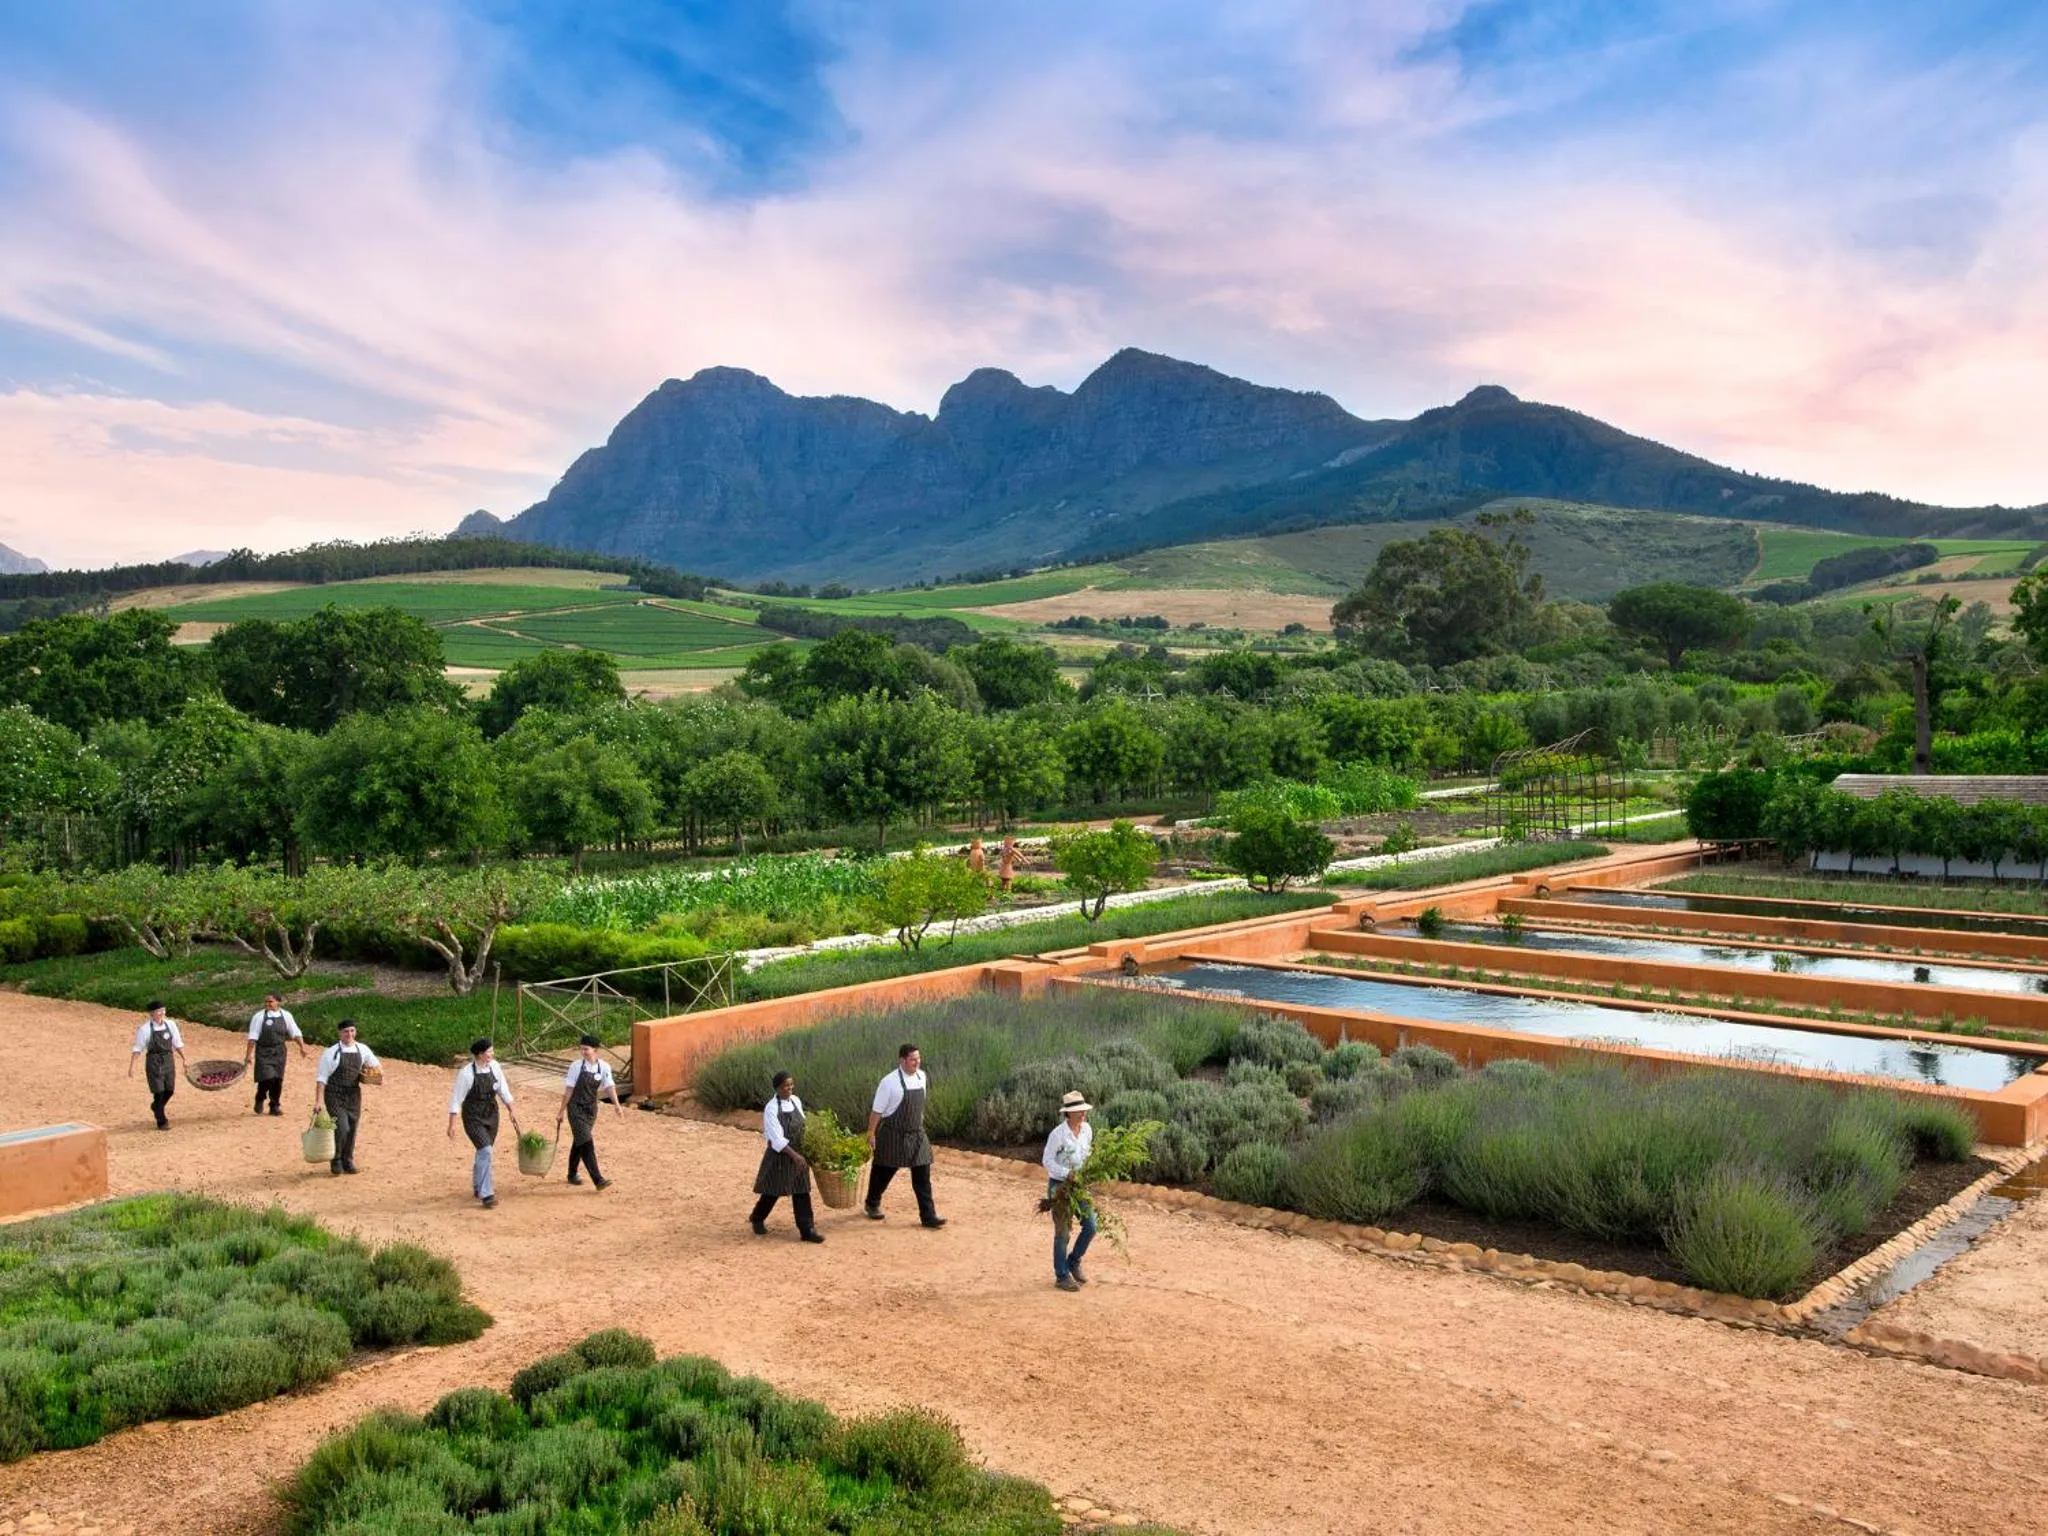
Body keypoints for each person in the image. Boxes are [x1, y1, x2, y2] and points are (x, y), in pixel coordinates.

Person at [864, 1042, 945, 1227]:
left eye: (918, 1058)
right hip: (893, 1134)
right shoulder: (889, 1082)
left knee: (922, 1176)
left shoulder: (922, 1076)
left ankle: (928, 1216)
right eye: (912, 1059)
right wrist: (871, 1133)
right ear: (902, 1060)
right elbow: (877, 1111)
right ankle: (872, 1203)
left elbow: (920, 1105)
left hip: (917, 1135)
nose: (917, 1062)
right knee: (883, 1173)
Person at [750, 1070, 824, 1243]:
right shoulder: (771, 1109)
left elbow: (803, 1125)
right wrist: (795, 1156)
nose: (790, 1088)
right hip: (781, 1156)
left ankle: (807, 1229)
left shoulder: (796, 1101)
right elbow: (776, 1139)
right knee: (772, 1191)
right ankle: (757, 1217)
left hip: (799, 1154)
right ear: (777, 1088)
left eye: (791, 1085)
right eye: (786, 1086)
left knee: (802, 1190)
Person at [447, 1038, 522, 1209]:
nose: (492, 1054)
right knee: (486, 1150)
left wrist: (511, 1110)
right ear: (480, 1054)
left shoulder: (495, 1067)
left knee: (484, 1152)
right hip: (473, 1117)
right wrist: (451, 1124)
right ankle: (486, 1194)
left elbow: (503, 1089)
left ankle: (477, 1186)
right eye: (489, 1051)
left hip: (491, 1114)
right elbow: (457, 1099)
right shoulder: (466, 1074)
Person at [1042, 1090, 1096, 1292]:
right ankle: (1062, 1275)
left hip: (1080, 1186)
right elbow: (1047, 1161)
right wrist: (1066, 1173)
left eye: (1084, 1110)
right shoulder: (1057, 1135)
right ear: (1068, 1113)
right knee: (1063, 1233)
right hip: (1059, 1186)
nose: (1082, 1114)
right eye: (1078, 1111)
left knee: (1091, 1225)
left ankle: (1073, 1261)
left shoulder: (1087, 1130)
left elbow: (1087, 1154)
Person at [312, 1020, 380, 1175]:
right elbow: (321, 1079)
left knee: (352, 1128)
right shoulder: (330, 1053)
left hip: (354, 1094)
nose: (349, 1034)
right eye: (346, 1031)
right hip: (334, 1094)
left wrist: (374, 1074)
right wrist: (318, 1101)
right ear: (340, 1033)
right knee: (342, 1127)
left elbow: (375, 1065)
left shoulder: (362, 1049)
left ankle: (347, 1160)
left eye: (352, 1031)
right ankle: (336, 1160)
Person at [555, 1034, 622, 1190]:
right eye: (582, 1049)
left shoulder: (604, 1067)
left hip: (591, 1109)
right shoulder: (576, 1066)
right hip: (575, 1108)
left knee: (580, 1141)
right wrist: (561, 1111)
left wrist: (617, 1105)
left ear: (595, 1050)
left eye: (586, 1049)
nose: (583, 1052)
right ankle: (598, 1179)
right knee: (586, 1141)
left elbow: (609, 1086)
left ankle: (571, 1174)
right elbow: (568, 1090)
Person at [242, 992, 307, 1116]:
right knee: (266, 1077)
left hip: (279, 1051)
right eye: (266, 1001)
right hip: (263, 1051)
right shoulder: (259, 1017)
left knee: (277, 1080)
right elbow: (253, 1037)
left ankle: (274, 1106)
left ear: (278, 1002)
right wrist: (248, 1055)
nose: (267, 1004)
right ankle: (260, 1097)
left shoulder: (286, 1015)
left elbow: (295, 1032)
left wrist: (302, 1047)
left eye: (270, 1001)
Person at [127, 1001, 188, 1131]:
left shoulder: (171, 1025)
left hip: (168, 1059)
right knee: (159, 1092)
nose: (162, 1013)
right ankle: (161, 1121)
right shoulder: (144, 1029)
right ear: (151, 1014)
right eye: (159, 1011)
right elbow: (138, 1049)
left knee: (169, 1090)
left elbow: (177, 1043)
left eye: (163, 1010)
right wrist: (131, 1066)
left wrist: (184, 1058)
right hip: (154, 1062)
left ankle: (156, 1107)